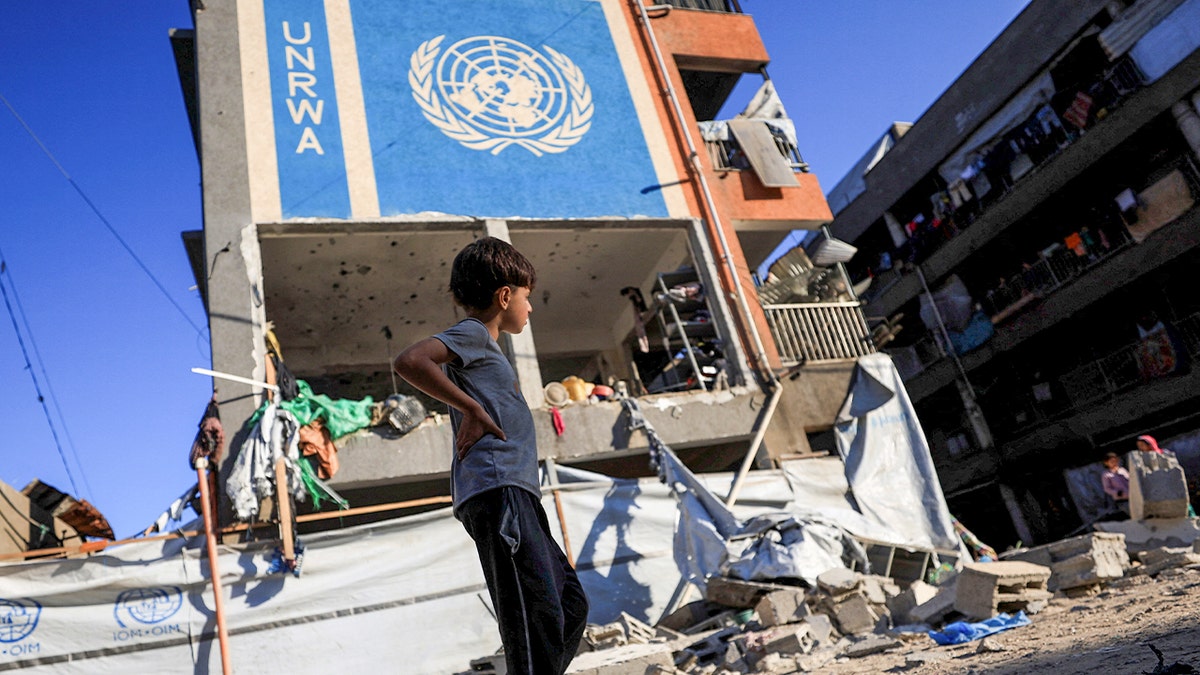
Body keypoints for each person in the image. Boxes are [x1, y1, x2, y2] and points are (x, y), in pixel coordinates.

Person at [393, 237, 588, 674]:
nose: (530, 308)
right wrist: (472, 409)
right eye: (526, 297)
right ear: (504, 296)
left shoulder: (485, 347)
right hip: (500, 494)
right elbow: (410, 361)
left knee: (569, 605)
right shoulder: (475, 334)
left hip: (518, 495)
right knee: (532, 617)